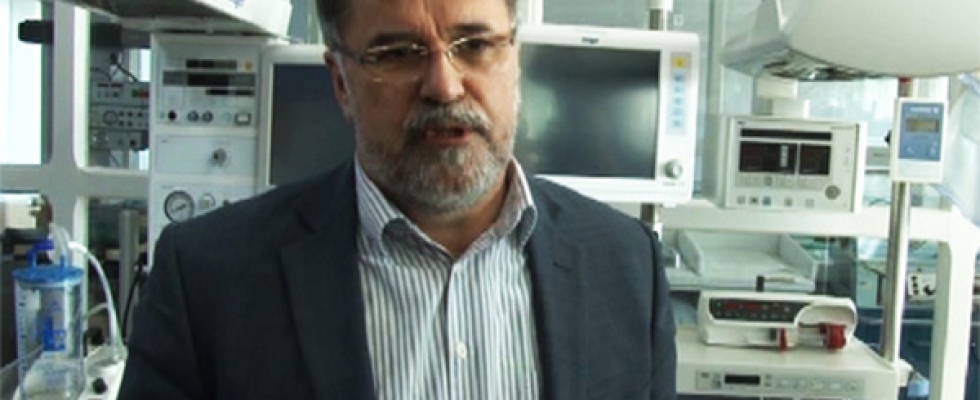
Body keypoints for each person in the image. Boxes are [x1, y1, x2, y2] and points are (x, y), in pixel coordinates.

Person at [118, 0, 676, 398]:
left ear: (515, 60)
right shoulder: (209, 278)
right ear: (341, 83)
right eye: (397, 53)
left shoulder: (627, 266)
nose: (444, 85)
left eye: (475, 45)